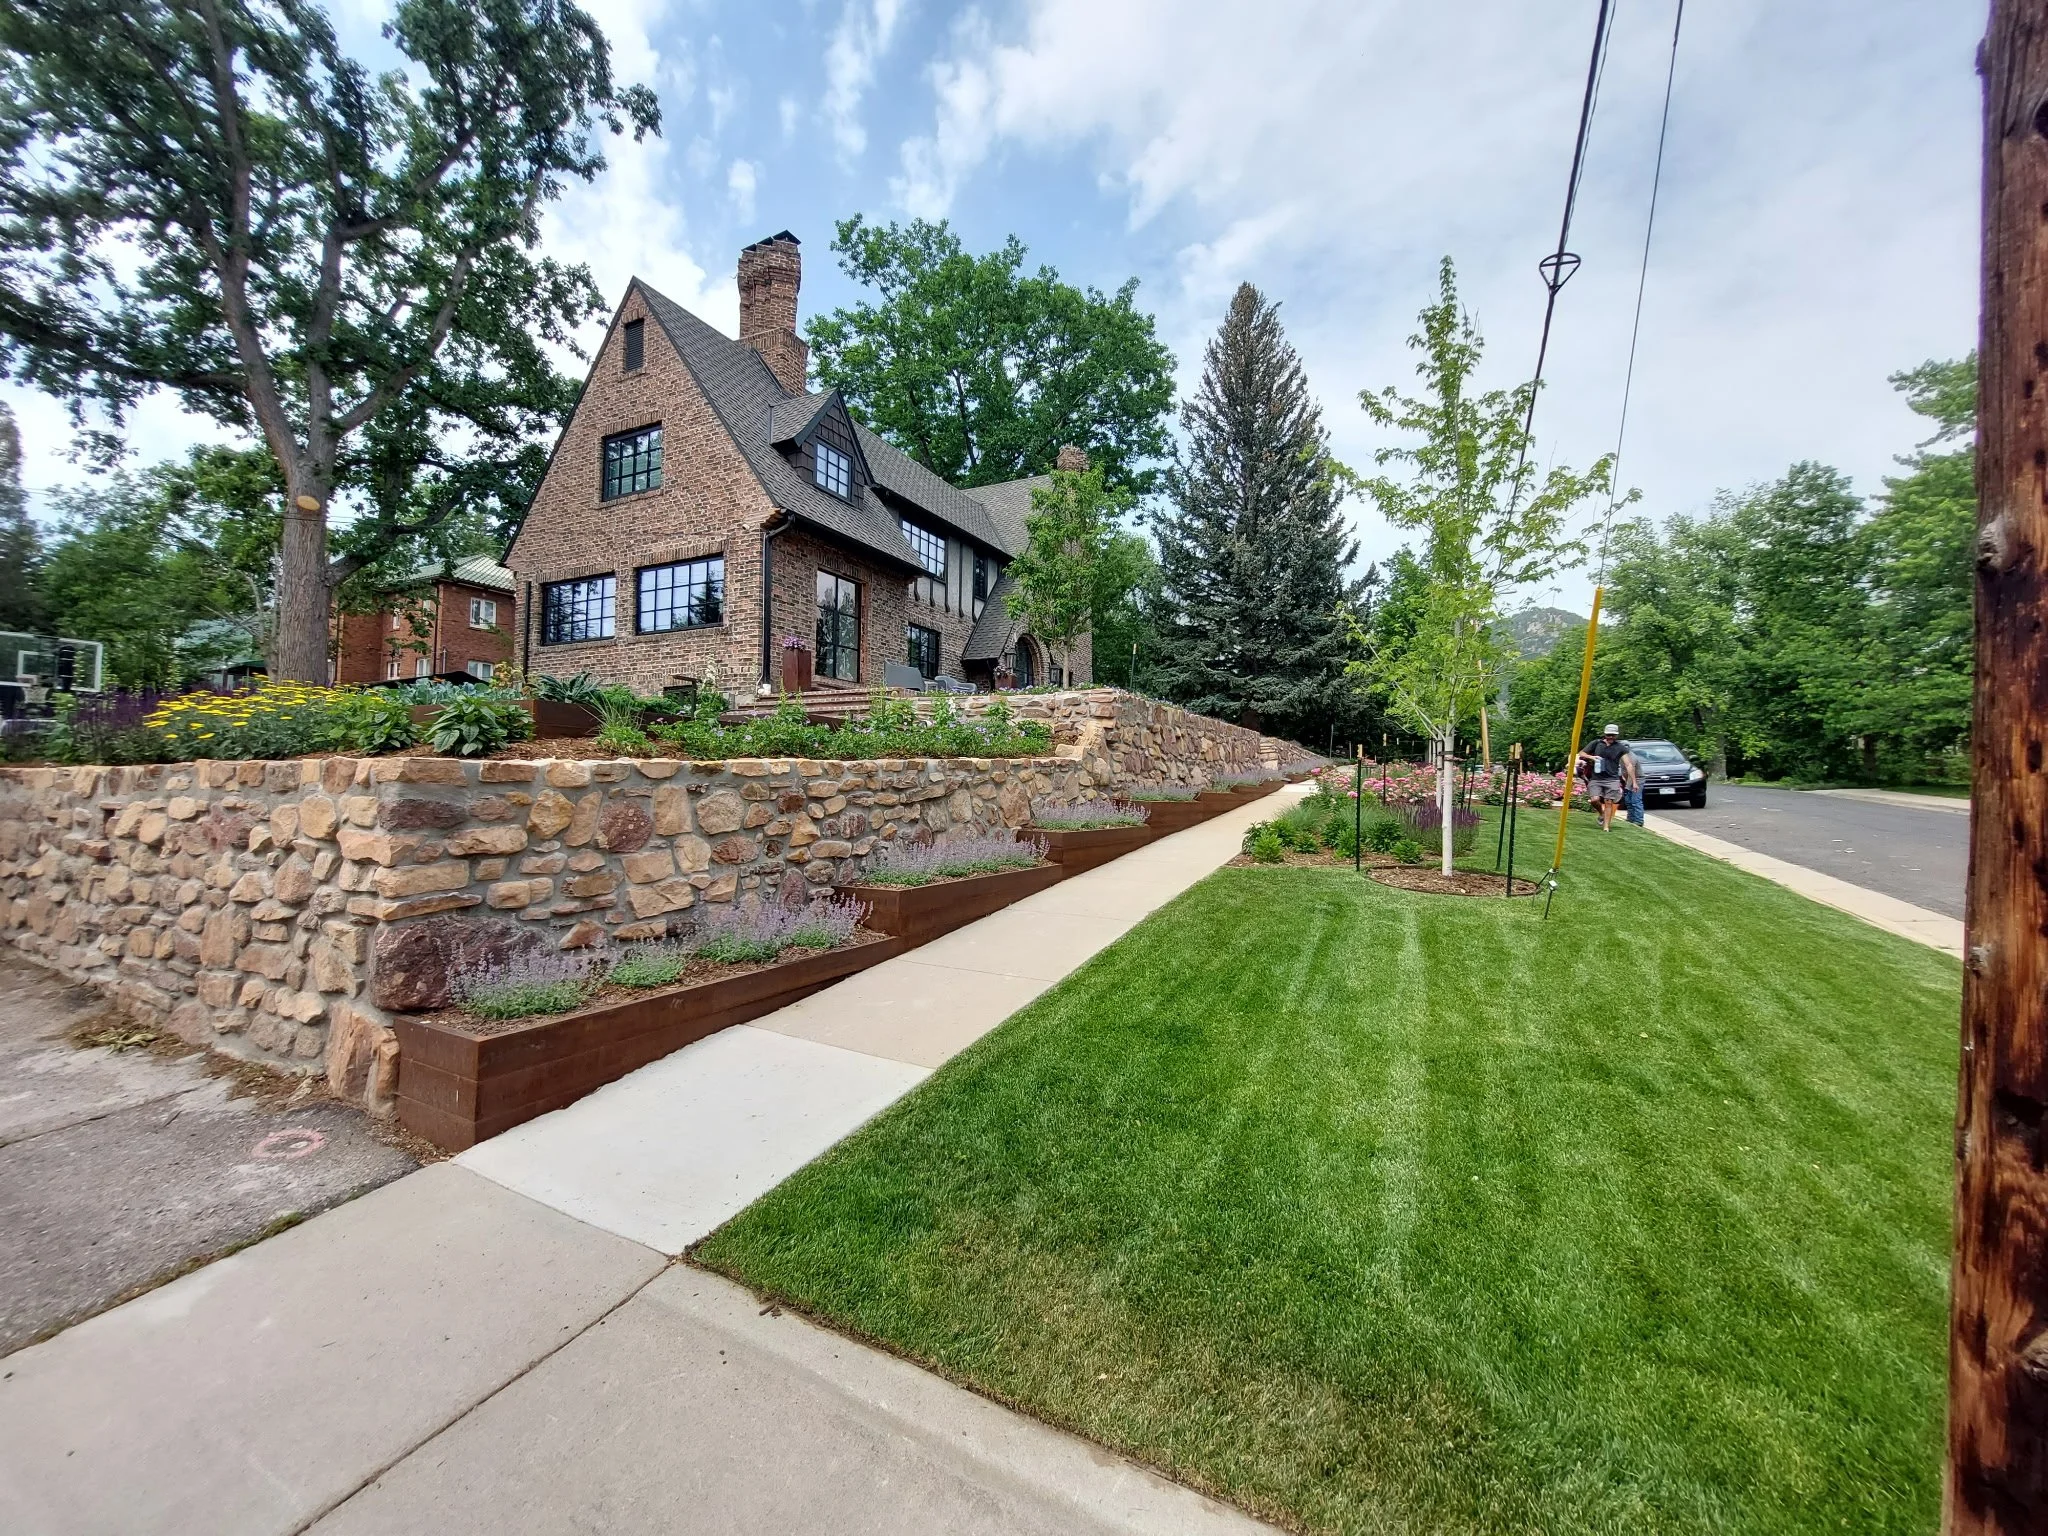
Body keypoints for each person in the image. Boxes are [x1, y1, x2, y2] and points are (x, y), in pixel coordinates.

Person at [1576, 725, 1633, 832]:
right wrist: (1591, 757)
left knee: (1608, 801)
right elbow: (1581, 753)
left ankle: (1606, 827)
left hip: (1612, 779)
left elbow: (1628, 764)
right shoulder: (1596, 743)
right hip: (1596, 778)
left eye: (1613, 735)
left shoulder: (1620, 747)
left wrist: (1633, 781)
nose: (1610, 737)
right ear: (1605, 734)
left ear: (1616, 735)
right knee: (1594, 800)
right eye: (1608, 735)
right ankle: (1601, 813)